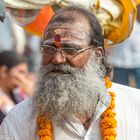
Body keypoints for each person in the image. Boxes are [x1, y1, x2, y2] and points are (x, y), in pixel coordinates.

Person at [0, 6, 140, 140]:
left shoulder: (134, 105)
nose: (57, 59)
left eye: (70, 49)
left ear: (97, 55)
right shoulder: (19, 120)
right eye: (49, 48)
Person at [106, 5, 140, 88]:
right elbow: (109, 41)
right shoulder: (116, 24)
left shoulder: (137, 24)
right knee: (120, 88)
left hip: (137, 62)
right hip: (120, 63)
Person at [0, 51, 34, 124]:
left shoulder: (17, 94)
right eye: (21, 72)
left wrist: (31, 94)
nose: (24, 77)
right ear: (4, 71)